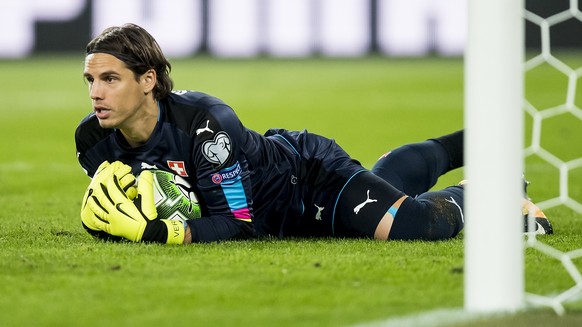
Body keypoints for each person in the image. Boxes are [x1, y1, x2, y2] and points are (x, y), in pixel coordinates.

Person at [76, 23, 550, 245]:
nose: (96, 92)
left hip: (308, 179)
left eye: (110, 79)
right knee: (384, 197)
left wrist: (156, 232)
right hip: (283, 222)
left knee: (411, 227)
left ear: (148, 80)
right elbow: (127, 202)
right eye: (91, 81)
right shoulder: (92, 141)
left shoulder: (205, 124)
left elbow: (237, 222)